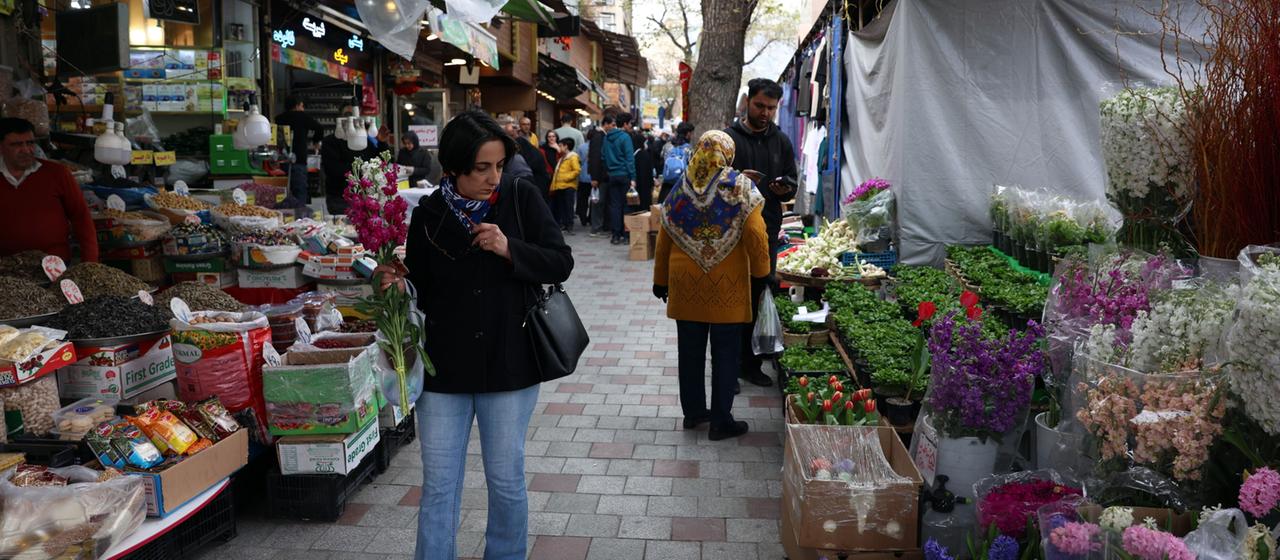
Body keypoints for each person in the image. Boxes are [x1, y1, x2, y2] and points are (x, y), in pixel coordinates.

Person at [376, 110, 573, 560]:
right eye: (481, 168)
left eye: (499, 166)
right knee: (440, 484)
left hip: (510, 364)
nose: (493, 177)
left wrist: (509, 248)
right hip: (444, 368)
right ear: (453, 168)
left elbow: (560, 261)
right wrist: (396, 283)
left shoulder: (521, 198)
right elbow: (420, 284)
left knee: (505, 480)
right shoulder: (427, 213)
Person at [653, 130, 769, 441]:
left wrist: (660, 280)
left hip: (685, 286)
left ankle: (693, 413)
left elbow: (664, 237)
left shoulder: (680, 188)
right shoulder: (741, 187)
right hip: (727, 289)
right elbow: (756, 234)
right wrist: (762, 272)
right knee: (726, 355)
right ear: (727, 154)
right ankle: (721, 421)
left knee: (689, 354)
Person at [724, 78, 799, 389]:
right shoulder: (728, 139)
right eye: (760, 106)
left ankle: (750, 364)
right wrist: (736, 181)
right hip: (728, 233)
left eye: (771, 107)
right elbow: (711, 183)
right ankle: (727, 366)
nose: (765, 112)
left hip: (765, 231)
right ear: (747, 101)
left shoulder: (781, 141)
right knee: (729, 298)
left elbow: (791, 183)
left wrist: (784, 188)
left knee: (756, 295)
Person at [0, 117, 98, 262]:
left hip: (54, 266)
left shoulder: (57, 173)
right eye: (16, 144)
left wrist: (91, 263)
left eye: (30, 143)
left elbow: (81, 217)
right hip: (6, 269)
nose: (26, 150)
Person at [321, 108, 380, 214]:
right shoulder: (330, 142)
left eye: (353, 116)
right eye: (347, 116)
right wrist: (361, 167)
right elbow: (333, 169)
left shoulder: (366, 141)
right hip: (339, 197)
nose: (350, 120)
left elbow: (378, 162)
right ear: (340, 120)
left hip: (365, 196)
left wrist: (382, 143)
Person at [274, 96, 324, 204]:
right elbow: (319, 128)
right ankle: (299, 217)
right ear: (296, 106)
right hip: (299, 160)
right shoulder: (302, 116)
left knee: (282, 192)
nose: (303, 109)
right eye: (302, 106)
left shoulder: (279, 118)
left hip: (281, 161)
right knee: (300, 192)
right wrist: (316, 142)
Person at [601, 113, 636, 245]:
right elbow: (629, 159)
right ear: (625, 124)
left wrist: (610, 169)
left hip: (612, 175)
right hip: (625, 174)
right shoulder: (625, 137)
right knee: (627, 206)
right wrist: (633, 177)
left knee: (615, 206)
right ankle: (626, 235)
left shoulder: (607, 137)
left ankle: (615, 235)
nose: (631, 126)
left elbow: (603, 157)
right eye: (630, 123)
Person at [501, 116, 550, 199]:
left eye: (528, 124)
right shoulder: (521, 144)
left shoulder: (523, 143)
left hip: (534, 183)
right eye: (524, 124)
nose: (526, 126)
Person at [659, 121, 695, 204]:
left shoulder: (667, 146)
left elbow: (662, 160)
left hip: (666, 186)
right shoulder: (689, 150)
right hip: (681, 187)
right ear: (688, 134)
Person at [623, 117, 655, 209]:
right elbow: (648, 172)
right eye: (645, 142)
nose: (646, 144)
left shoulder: (634, 154)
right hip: (644, 188)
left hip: (637, 186)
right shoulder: (644, 154)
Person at [549, 137, 579, 234]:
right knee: (562, 206)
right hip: (560, 186)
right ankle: (565, 225)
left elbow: (576, 170)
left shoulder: (573, 157)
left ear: (566, 146)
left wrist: (565, 178)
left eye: (561, 145)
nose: (559, 147)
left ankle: (569, 225)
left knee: (568, 206)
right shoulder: (563, 157)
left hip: (568, 186)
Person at [586, 122, 609, 235]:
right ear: (606, 124)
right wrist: (594, 177)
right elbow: (595, 158)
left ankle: (599, 226)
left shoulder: (602, 136)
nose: (613, 127)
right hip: (599, 176)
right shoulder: (598, 137)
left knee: (599, 201)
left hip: (601, 176)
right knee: (597, 201)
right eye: (612, 124)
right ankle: (596, 228)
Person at [574, 128, 593, 227]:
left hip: (583, 177)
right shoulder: (598, 147)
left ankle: (583, 217)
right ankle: (591, 218)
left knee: (583, 199)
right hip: (593, 177)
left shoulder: (581, 147)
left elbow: (578, 161)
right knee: (594, 198)